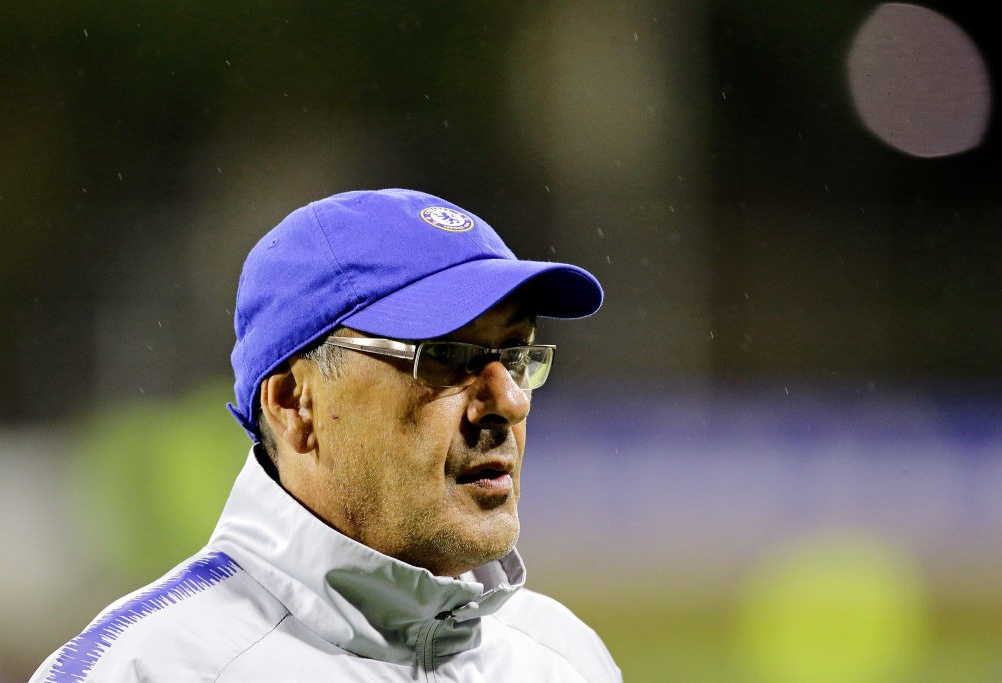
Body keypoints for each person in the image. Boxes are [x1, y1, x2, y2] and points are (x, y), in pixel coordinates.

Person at [32, 188, 622, 681]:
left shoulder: (566, 658)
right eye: (445, 357)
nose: (509, 401)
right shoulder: (146, 670)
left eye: (514, 357)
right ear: (295, 404)